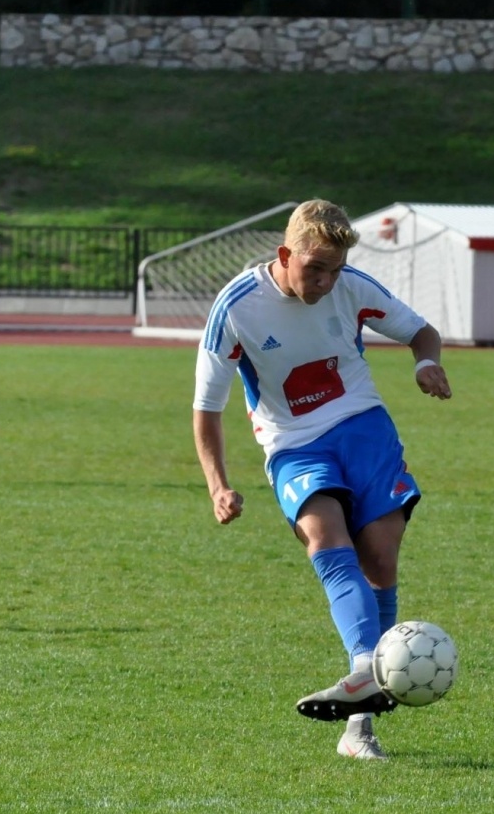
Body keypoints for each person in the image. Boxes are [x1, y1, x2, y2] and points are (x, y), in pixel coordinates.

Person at [193, 200, 453, 760]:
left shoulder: (351, 286)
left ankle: (360, 725)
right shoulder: (237, 307)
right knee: (324, 537)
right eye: (316, 269)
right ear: (286, 255)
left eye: (335, 269)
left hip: (362, 426)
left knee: (380, 558)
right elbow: (206, 408)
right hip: (291, 443)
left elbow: (421, 332)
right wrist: (218, 484)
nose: (327, 281)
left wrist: (423, 363)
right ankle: (367, 668)